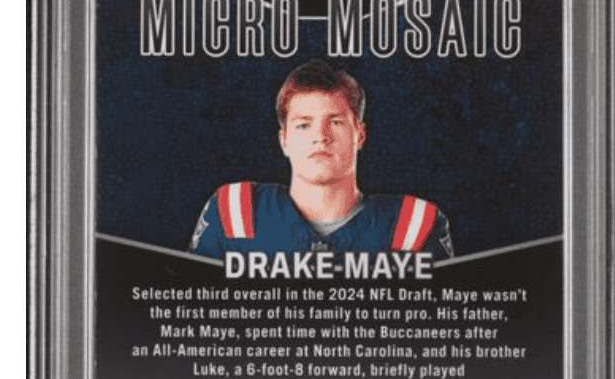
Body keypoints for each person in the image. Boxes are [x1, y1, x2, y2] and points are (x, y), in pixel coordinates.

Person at [190, 59, 453, 259]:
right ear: (284, 139)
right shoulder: (234, 213)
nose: (320, 136)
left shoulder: (412, 227)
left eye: (335, 122)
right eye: (303, 125)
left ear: (360, 134)